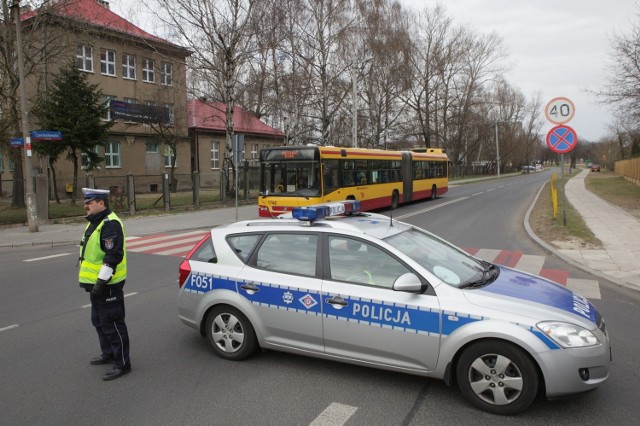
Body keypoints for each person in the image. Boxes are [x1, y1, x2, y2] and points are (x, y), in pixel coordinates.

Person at [78, 188, 131, 381]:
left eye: (89, 203)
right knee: (99, 322)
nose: (86, 206)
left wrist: (101, 282)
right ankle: (108, 354)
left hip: (108, 285)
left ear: (102, 204)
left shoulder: (110, 224)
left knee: (113, 325)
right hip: (96, 286)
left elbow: (113, 256)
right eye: (86, 202)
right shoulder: (95, 222)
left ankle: (123, 364)